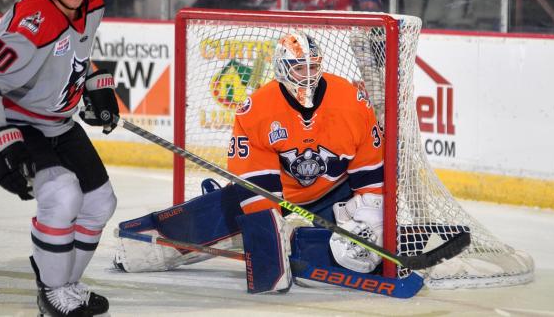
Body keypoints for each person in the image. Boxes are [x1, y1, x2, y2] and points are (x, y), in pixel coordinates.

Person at [113, 30, 385, 294]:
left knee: (353, 248)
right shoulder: (258, 110)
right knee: (202, 226)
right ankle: (134, 246)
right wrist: (269, 233)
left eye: (313, 67)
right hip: (276, 196)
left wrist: (369, 217)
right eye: (299, 68)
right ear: (282, 69)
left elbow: (370, 172)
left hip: (332, 195)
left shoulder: (351, 101)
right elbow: (257, 187)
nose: (309, 76)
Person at [0, 0, 118, 315]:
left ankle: (66, 286)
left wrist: (91, 82)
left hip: (56, 121)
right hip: (12, 119)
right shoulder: (33, 22)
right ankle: (52, 291)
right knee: (62, 196)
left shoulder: (93, 1)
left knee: (100, 202)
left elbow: (74, 52)